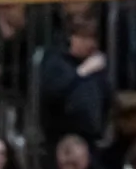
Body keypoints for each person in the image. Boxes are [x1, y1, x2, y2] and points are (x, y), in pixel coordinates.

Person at [38, 18, 113, 150]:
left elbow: (107, 94)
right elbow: (52, 91)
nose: (90, 44)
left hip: (92, 137)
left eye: (92, 39)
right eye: (84, 38)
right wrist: (82, 71)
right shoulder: (55, 60)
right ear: (73, 38)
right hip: (61, 135)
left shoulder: (96, 65)